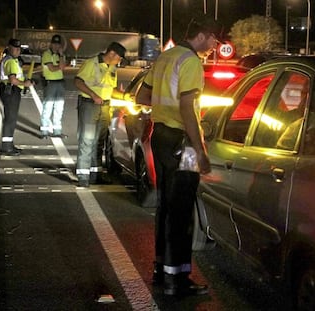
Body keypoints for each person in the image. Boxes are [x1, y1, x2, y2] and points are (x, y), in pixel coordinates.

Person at [136, 16, 219, 296]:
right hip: (183, 142)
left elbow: (142, 96)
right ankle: (178, 280)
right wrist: (201, 150)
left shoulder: (166, 57)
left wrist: (164, 105)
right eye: (214, 40)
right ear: (204, 35)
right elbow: (187, 108)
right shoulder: (192, 62)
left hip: (160, 137)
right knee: (182, 210)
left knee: (166, 206)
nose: (214, 46)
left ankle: (162, 270)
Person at [74, 42, 126, 187]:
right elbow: (78, 82)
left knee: (99, 142)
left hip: (105, 107)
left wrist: (125, 96)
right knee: (87, 139)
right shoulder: (92, 63)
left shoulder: (113, 68)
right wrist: (93, 95)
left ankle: (95, 174)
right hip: (89, 104)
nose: (119, 61)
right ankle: (83, 176)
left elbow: (111, 90)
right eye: (119, 58)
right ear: (112, 54)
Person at [0, 38, 33, 156]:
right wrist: (25, 84)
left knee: (11, 118)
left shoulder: (14, 60)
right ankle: (7, 147)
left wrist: (25, 81)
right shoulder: (10, 61)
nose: (18, 51)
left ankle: (9, 144)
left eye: (19, 49)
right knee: (10, 119)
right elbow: (13, 79)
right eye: (15, 48)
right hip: (10, 91)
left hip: (11, 91)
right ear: (9, 48)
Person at [40, 34, 67, 139]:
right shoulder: (47, 54)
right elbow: (51, 68)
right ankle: (44, 131)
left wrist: (60, 57)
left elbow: (62, 67)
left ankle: (57, 131)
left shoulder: (60, 55)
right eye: (54, 44)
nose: (56, 46)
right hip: (50, 83)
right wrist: (59, 67)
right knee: (48, 107)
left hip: (60, 83)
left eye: (58, 44)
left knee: (59, 108)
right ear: (51, 44)